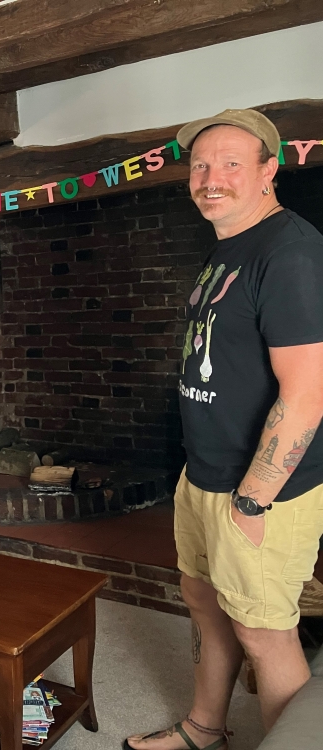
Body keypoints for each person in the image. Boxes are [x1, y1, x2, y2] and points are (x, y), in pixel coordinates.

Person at [124, 110, 323, 750]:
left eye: (232, 163)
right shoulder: (229, 248)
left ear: (269, 171)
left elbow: (309, 393)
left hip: (261, 490)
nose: (212, 178)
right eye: (201, 165)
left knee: (266, 634)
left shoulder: (290, 252)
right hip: (204, 474)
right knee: (208, 607)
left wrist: (253, 498)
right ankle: (203, 729)